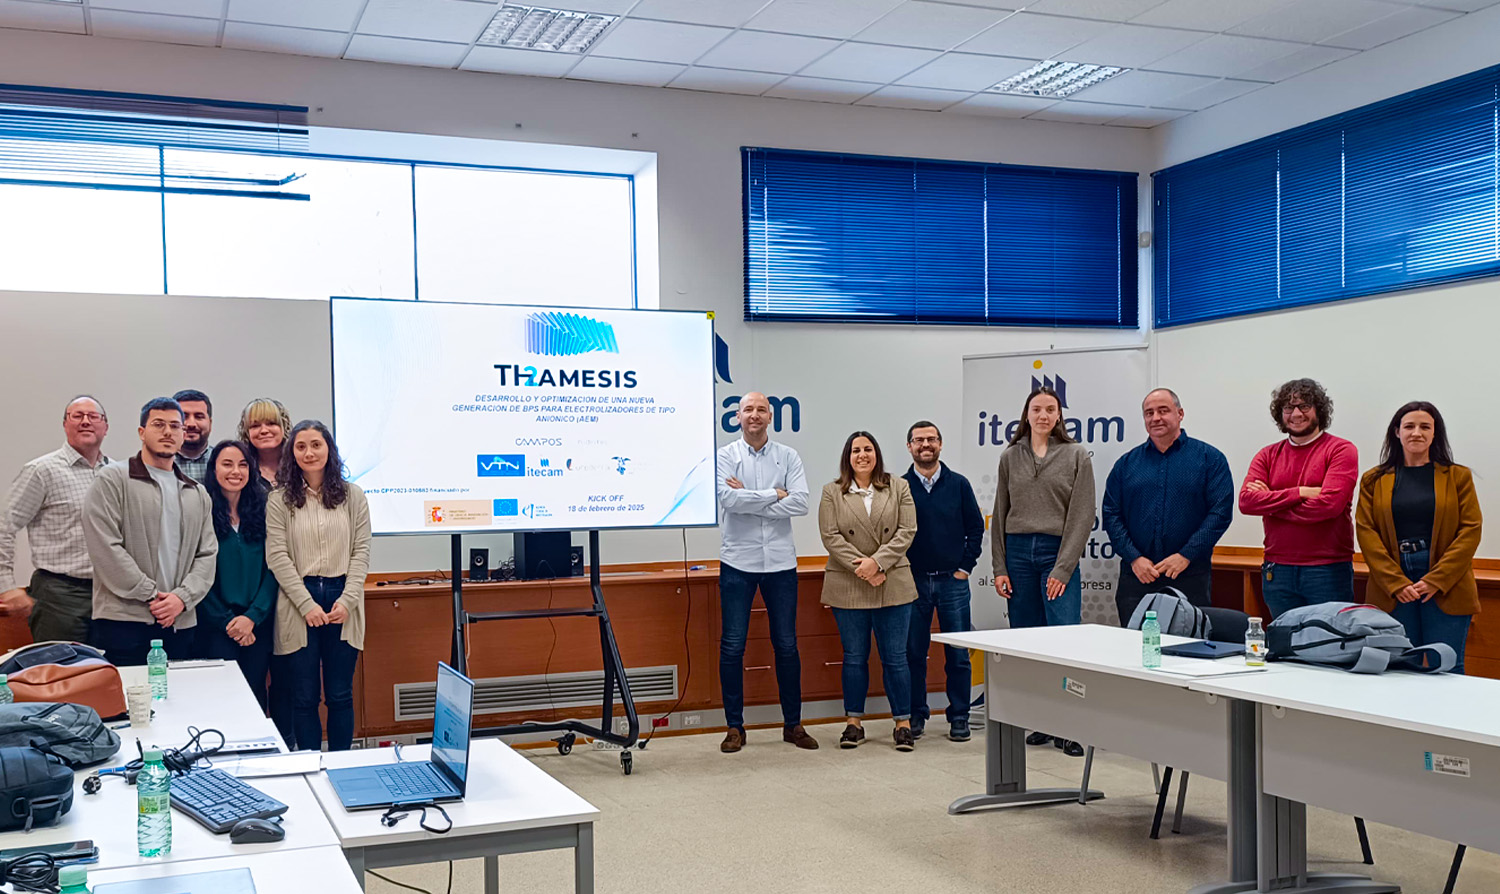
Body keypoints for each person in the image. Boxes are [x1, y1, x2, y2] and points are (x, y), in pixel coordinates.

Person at [992, 385, 1094, 757]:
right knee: (1028, 643)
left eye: (1050, 409)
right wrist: (1000, 566)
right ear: (1027, 414)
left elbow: (1082, 515)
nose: (1043, 415)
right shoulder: (1010, 456)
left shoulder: (1076, 455)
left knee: (1064, 642)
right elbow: (1000, 513)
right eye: (1037, 409)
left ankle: (1071, 728)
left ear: (1059, 415)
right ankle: (1043, 721)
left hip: (1056, 552)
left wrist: (1063, 568)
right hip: (1018, 554)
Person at [715, 392, 817, 753]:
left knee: (786, 646)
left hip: (780, 564)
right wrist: (775, 494)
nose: (754, 415)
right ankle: (734, 727)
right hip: (737, 563)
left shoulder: (788, 456)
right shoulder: (724, 456)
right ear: (737, 416)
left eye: (761, 409)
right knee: (732, 647)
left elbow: (801, 502)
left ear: (770, 416)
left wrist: (752, 497)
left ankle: (793, 725)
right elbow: (728, 500)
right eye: (748, 410)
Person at [82, 398, 217, 666]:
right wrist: (152, 595)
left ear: (182, 435)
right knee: (127, 693)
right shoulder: (112, 479)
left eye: (175, 426)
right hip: (124, 621)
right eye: (158, 424)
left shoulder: (196, 492)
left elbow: (207, 554)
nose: (167, 432)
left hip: (179, 621)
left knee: (177, 693)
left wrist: (181, 598)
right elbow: (105, 547)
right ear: (142, 432)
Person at [265, 420, 370, 752]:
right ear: (292, 453)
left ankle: (342, 766)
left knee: (340, 695)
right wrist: (306, 604)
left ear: (329, 449)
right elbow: (277, 556)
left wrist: (348, 600)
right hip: (299, 600)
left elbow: (361, 551)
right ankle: (310, 764)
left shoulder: (353, 496)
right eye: (301, 446)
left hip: (343, 598)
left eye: (316, 445)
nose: (309, 453)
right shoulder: (279, 500)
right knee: (304, 696)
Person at [1356, 402, 1481, 673]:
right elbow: (1366, 531)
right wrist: (1395, 582)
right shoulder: (1373, 479)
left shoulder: (1458, 476)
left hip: (1446, 581)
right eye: (1409, 426)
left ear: (1435, 434)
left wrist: (1437, 579)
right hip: (1393, 581)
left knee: (1445, 667)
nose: (1416, 433)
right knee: (1399, 668)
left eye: (1425, 427)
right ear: (1397, 432)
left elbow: (1471, 529)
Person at [820, 431, 919, 752]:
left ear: (877, 454)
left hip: (892, 581)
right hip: (849, 583)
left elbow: (907, 530)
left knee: (896, 658)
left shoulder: (899, 486)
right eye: (856, 450)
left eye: (868, 449)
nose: (862, 455)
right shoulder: (832, 491)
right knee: (854, 658)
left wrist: (877, 564)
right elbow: (830, 536)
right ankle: (854, 723)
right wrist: (863, 569)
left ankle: (902, 724)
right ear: (847, 457)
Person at [1103, 388, 1234, 624]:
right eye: (1149, 413)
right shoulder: (1126, 464)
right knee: (1133, 643)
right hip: (1138, 577)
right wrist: (1134, 558)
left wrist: (1185, 555)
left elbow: (1220, 512)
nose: (1156, 418)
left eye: (1163, 411)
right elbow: (1111, 514)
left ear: (1180, 414)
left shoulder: (1210, 459)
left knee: (1189, 643)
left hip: (1189, 574)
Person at [1239, 378, 1359, 617]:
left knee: (1329, 638)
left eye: (1304, 406)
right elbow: (1246, 502)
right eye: (1288, 407)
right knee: (1285, 638)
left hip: (1327, 569)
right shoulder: (1267, 455)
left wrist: (1270, 503)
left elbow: (1328, 506)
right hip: (1277, 569)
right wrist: (1301, 492)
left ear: (1319, 410)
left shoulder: (1340, 450)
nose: (1296, 414)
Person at [0, 396, 114, 642]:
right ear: (65, 424)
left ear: (105, 427)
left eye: (93, 416)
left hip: (110, 595)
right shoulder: (42, 471)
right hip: (60, 596)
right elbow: (4, 525)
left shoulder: (116, 473)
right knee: (61, 665)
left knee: (109, 665)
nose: (86, 421)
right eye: (77, 416)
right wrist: (6, 585)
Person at [900, 421, 983, 743]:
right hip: (913, 582)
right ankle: (916, 715)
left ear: (940, 444)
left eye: (931, 439)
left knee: (959, 655)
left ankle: (959, 716)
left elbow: (975, 528)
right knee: (913, 654)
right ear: (909, 446)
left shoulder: (959, 484)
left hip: (953, 582)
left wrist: (965, 567)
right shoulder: (900, 486)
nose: (926, 445)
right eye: (919, 440)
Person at [196, 440, 278, 709]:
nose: (236, 471)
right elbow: (196, 572)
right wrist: (229, 622)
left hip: (256, 625)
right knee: (221, 702)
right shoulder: (201, 513)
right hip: (217, 626)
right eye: (227, 464)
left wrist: (252, 617)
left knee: (255, 698)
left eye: (243, 465)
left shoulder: (264, 512)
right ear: (214, 470)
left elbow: (274, 569)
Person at [238, 398, 291, 488]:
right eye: (255, 426)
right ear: (246, 432)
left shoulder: (299, 466)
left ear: (284, 427)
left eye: (271, 423)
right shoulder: (240, 471)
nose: (264, 430)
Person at [172, 389, 214, 483]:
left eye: (199, 417)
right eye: (184, 417)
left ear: (210, 423)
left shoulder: (223, 461)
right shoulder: (158, 462)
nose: (191, 424)